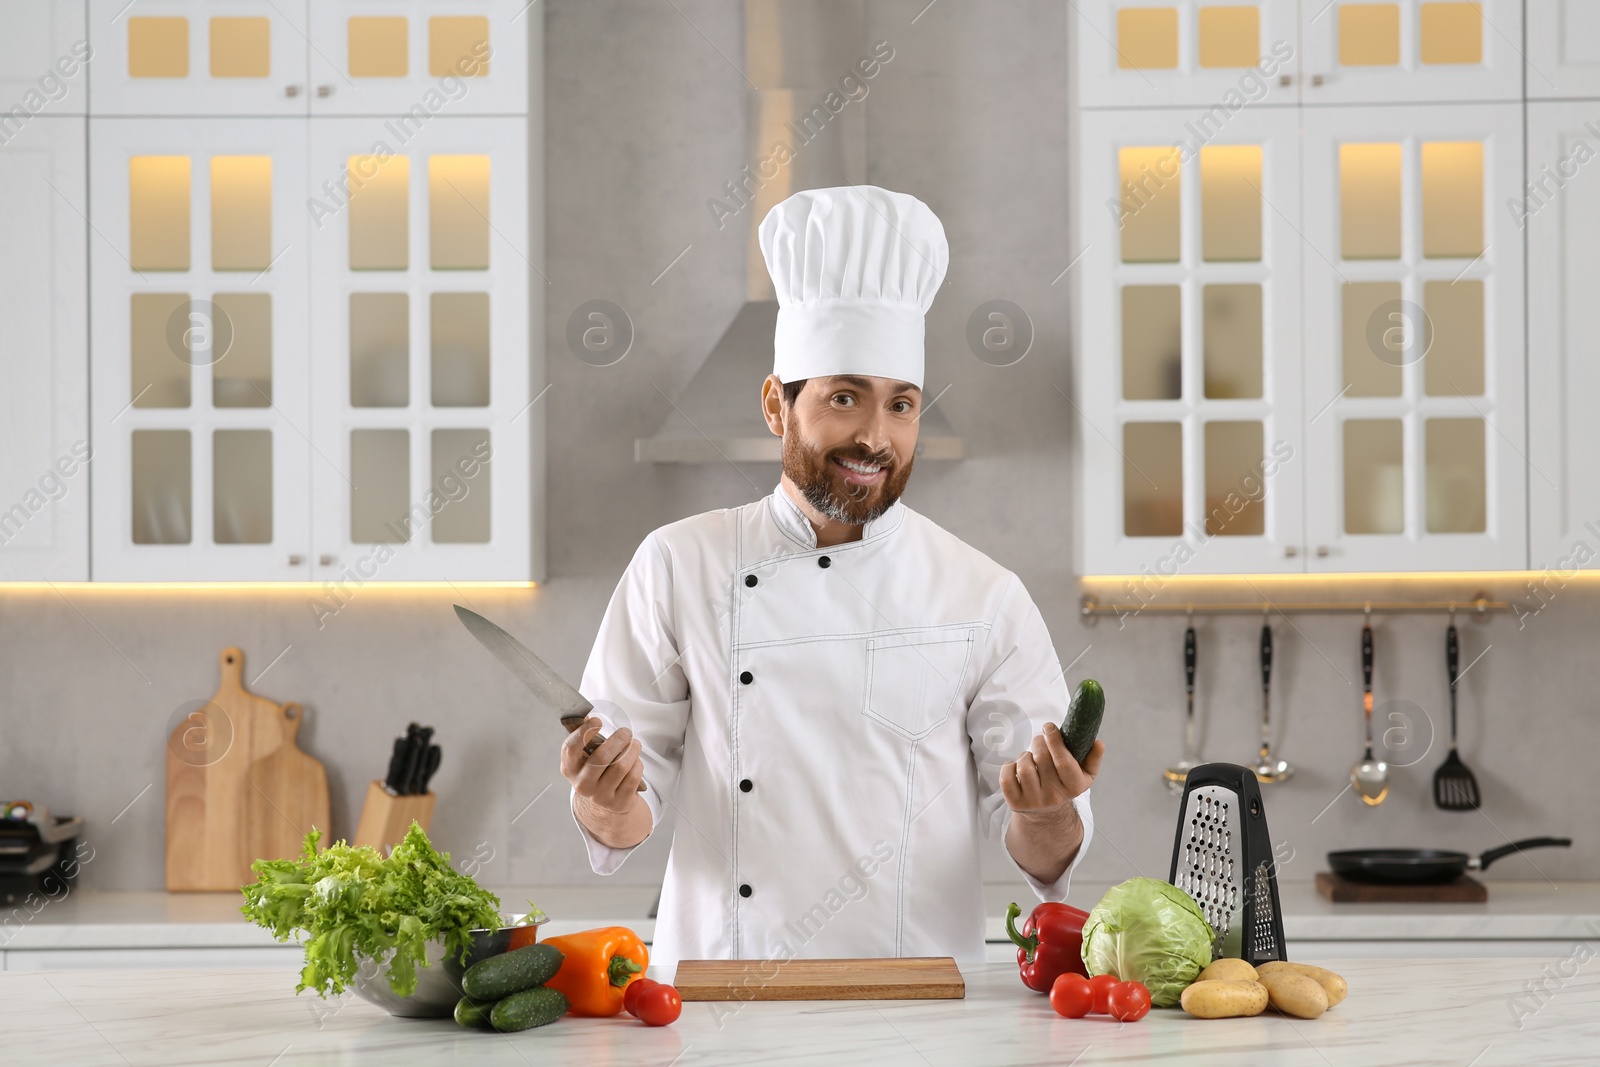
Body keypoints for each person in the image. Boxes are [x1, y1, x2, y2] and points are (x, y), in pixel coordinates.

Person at [560, 185, 1103, 973]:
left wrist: (1050, 812)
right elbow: (622, 819)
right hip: (718, 996)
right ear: (777, 406)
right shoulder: (677, 563)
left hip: (917, 1003)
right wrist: (600, 800)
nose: (875, 437)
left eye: (902, 404)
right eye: (844, 397)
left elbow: (1046, 855)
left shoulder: (984, 595)